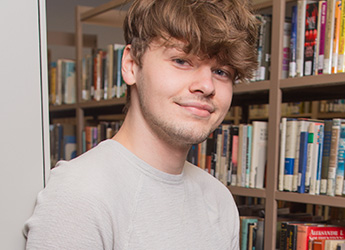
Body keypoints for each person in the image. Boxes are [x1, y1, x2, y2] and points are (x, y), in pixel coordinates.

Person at [24, 0, 259, 249]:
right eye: (182, 60)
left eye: (221, 72)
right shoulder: (80, 195)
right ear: (131, 65)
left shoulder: (218, 198)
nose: (207, 85)